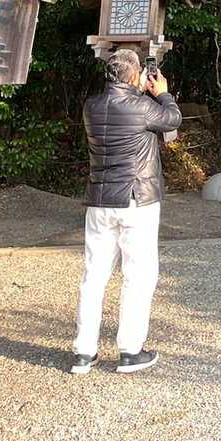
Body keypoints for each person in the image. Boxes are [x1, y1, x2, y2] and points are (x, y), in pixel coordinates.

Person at [70, 48, 182, 375]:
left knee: (93, 276)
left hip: (100, 200)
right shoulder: (142, 107)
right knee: (137, 275)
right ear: (135, 75)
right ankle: (130, 351)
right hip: (136, 200)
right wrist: (162, 93)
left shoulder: (91, 106)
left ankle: (84, 352)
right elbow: (172, 119)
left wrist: (140, 90)